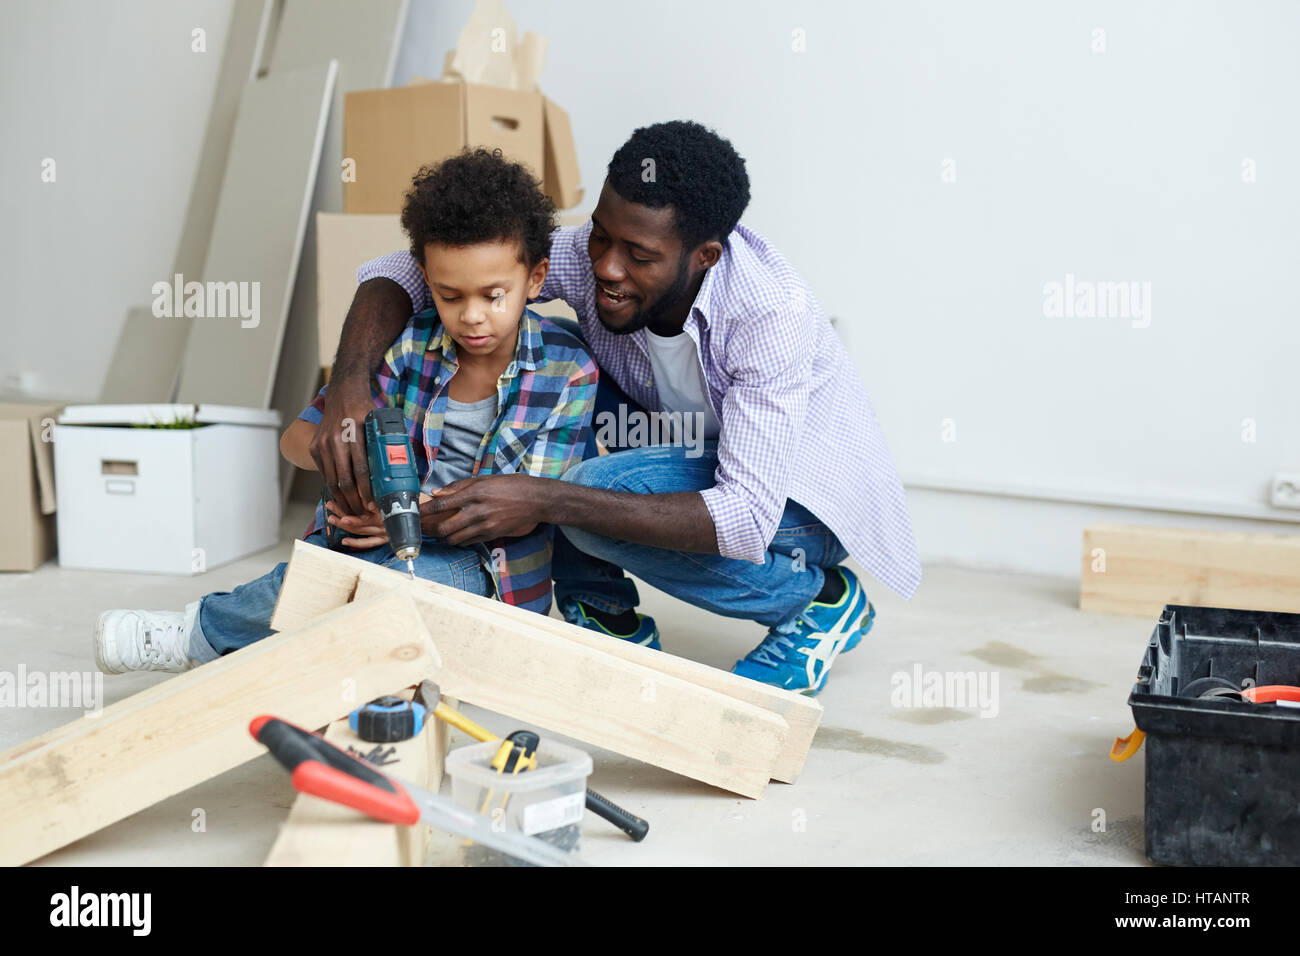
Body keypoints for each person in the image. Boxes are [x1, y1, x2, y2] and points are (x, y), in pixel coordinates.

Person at [317, 121, 920, 697]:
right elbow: (407, 268)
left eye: (638, 255)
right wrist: (349, 384)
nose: (606, 265)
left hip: (798, 502)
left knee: (588, 491)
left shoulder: (770, 317)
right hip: (687, 446)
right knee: (557, 355)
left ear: (704, 257)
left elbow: (744, 518)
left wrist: (541, 497)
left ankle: (814, 600)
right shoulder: (595, 253)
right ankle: (603, 606)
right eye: (601, 234)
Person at [94, 148, 598, 674]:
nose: (472, 316)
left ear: (535, 280)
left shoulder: (568, 372)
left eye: (495, 295)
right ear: (426, 281)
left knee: (381, 587)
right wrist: (353, 460)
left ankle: (208, 634)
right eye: (450, 296)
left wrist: (404, 515)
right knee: (335, 579)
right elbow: (300, 440)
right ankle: (199, 638)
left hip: (489, 572)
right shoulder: (409, 347)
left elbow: (515, 507)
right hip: (370, 539)